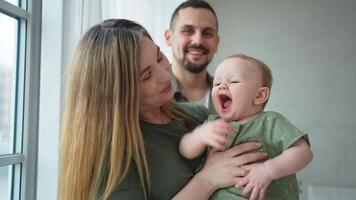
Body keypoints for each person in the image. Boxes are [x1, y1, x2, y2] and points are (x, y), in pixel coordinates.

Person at [59, 19, 268, 200]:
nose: (164, 74)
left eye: (159, 57)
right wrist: (207, 179)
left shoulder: (200, 117)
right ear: (116, 93)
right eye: (146, 75)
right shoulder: (112, 156)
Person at [180, 54, 313, 200]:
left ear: (259, 95)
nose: (222, 86)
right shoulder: (212, 124)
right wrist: (199, 136)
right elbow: (186, 151)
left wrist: (268, 170)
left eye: (234, 81)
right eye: (217, 83)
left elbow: (304, 153)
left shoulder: (270, 122)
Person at [165, 0, 218, 113]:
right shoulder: (149, 95)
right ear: (169, 37)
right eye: (188, 31)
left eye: (207, 33)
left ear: (217, 43)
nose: (198, 41)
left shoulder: (231, 96)